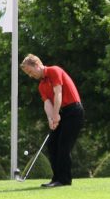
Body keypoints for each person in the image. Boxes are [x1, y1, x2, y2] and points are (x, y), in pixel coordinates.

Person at [21, 54, 84, 187]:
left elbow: (58, 94)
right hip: (62, 112)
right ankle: (56, 178)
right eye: (28, 73)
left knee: (63, 146)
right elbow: (47, 103)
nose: (30, 75)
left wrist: (56, 115)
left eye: (30, 71)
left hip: (74, 111)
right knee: (52, 144)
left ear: (37, 65)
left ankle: (64, 180)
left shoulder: (54, 71)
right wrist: (51, 118)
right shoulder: (41, 85)